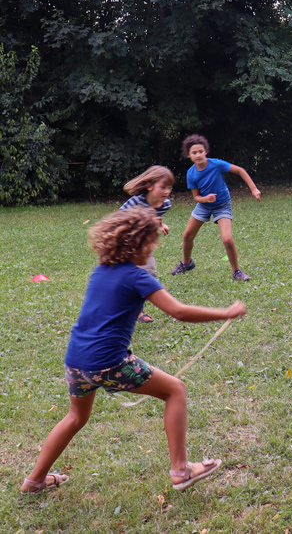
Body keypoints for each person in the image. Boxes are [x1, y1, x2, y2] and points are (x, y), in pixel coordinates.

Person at [20, 207, 247, 494]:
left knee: (76, 417)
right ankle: (181, 470)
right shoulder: (138, 277)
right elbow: (178, 311)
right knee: (175, 390)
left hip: (76, 361)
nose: (152, 250)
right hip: (108, 363)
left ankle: (34, 480)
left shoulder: (101, 270)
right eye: (150, 244)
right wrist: (225, 312)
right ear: (135, 245)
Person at [170, 134, 261, 281]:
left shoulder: (216, 164)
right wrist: (205, 199)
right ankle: (187, 263)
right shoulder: (191, 174)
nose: (198, 155)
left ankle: (236, 271)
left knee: (227, 239)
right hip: (203, 205)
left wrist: (254, 189)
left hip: (222, 205)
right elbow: (196, 197)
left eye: (200, 151)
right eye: (194, 152)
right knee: (187, 235)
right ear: (188, 155)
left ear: (206, 151)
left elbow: (240, 170)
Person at [120, 165, 175, 323]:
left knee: (149, 274)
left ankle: (136, 310)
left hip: (143, 246)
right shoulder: (135, 202)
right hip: (125, 244)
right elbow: (118, 220)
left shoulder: (165, 205)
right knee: (125, 278)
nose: (166, 192)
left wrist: (160, 225)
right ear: (149, 186)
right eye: (163, 187)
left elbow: (152, 217)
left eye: (169, 188)